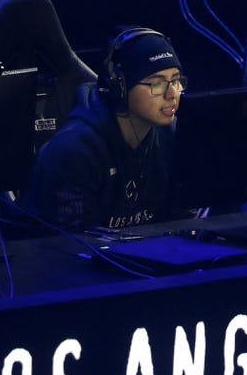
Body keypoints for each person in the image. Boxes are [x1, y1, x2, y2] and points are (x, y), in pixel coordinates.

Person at [22, 26, 185, 232]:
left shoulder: (174, 135)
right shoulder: (73, 153)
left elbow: (185, 221)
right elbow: (73, 244)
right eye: (157, 83)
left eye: (176, 80)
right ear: (121, 88)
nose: (173, 94)